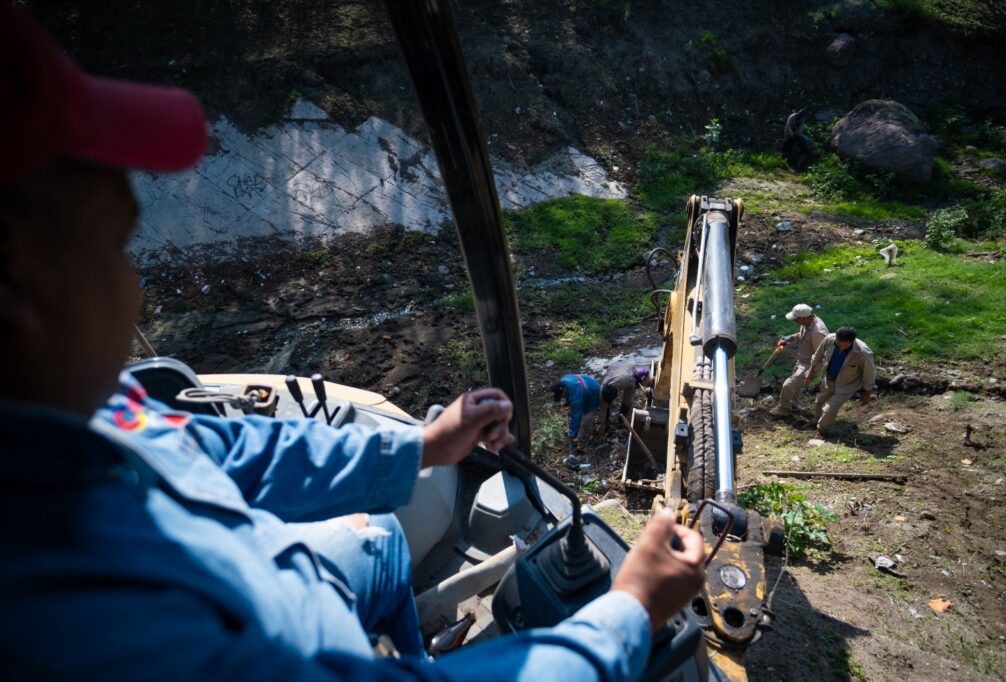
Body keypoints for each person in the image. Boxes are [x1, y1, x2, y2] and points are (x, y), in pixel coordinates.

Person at [0, 6, 706, 681]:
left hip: (275, 575)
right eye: (116, 248)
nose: (139, 293)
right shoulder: (104, 635)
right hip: (286, 627)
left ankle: (406, 654)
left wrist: (422, 448)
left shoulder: (93, 413)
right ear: (21, 294)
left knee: (377, 538)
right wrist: (632, 613)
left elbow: (236, 451)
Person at [804, 326, 876, 436]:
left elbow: (869, 374)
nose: (841, 349)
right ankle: (815, 421)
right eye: (838, 345)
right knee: (819, 401)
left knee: (829, 409)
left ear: (852, 342)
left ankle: (821, 430)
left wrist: (867, 394)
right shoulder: (830, 339)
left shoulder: (863, 353)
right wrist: (810, 371)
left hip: (847, 385)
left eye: (844, 346)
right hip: (829, 379)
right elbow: (818, 354)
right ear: (836, 338)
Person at [770, 304, 828, 417]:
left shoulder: (818, 332)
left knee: (788, 385)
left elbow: (820, 355)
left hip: (811, 364)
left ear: (805, 318)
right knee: (796, 385)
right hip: (802, 359)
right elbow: (803, 333)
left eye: (796, 319)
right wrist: (791, 337)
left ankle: (783, 409)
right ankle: (793, 404)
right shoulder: (808, 322)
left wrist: (810, 371)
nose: (795, 322)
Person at [549, 374, 602, 465]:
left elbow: (576, 416)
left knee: (585, 421)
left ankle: (581, 444)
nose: (562, 398)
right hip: (586, 388)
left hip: (594, 393)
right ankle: (577, 439)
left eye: (561, 395)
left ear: (564, 390)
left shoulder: (576, 397)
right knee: (577, 409)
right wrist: (568, 403)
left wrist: (572, 433)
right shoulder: (564, 379)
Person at [599, 362, 653, 433]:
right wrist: (602, 423)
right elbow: (603, 405)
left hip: (626, 370)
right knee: (605, 404)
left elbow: (628, 399)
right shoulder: (602, 389)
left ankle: (620, 420)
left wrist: (645, 386)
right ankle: (607, 423)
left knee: (628, 401)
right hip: (615, 367)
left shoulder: (628, 380)